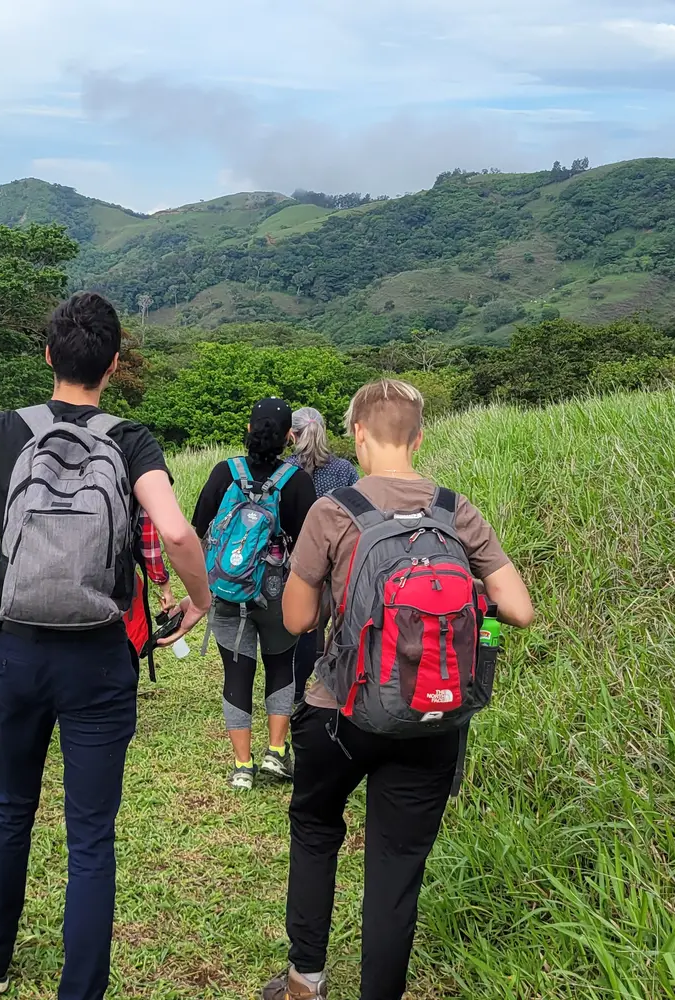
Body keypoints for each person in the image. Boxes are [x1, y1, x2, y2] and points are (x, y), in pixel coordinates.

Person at [0, 291, 211, 1000]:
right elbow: (179, 533)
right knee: (90, 836)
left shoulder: (0, 431)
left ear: (47, 355)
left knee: (12, 805)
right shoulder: (132, 440)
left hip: (15, 653)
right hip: (99, 655)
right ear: (114, 364)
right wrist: (201, 600)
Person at [263, 379, 536, 1000]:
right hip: (433, 717)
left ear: (356, 435)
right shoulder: (456, 510)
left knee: (314, 824)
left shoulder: (334, 512)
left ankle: (305, 979)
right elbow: (518, 609)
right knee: (396, 869)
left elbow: (299, 620)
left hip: (343, 714)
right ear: (418, 437)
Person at [192, 398, 315, 790]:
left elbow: (197, 528)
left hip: (229, 591)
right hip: (278, 593)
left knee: (236, 672)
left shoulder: (224, 472)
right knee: (280, 667)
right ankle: (275, 753)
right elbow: (310, 547)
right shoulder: (296, 481)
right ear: (288, 438)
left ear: (248, 430)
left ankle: (242, 766)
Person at [284, 406, 358, 694]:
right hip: (339, 559)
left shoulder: (285, 470)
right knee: (337, 624)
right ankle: (336, 684)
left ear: (292, 434)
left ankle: (298, 690)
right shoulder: (345, 470)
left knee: (303, 626)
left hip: (297, 560)